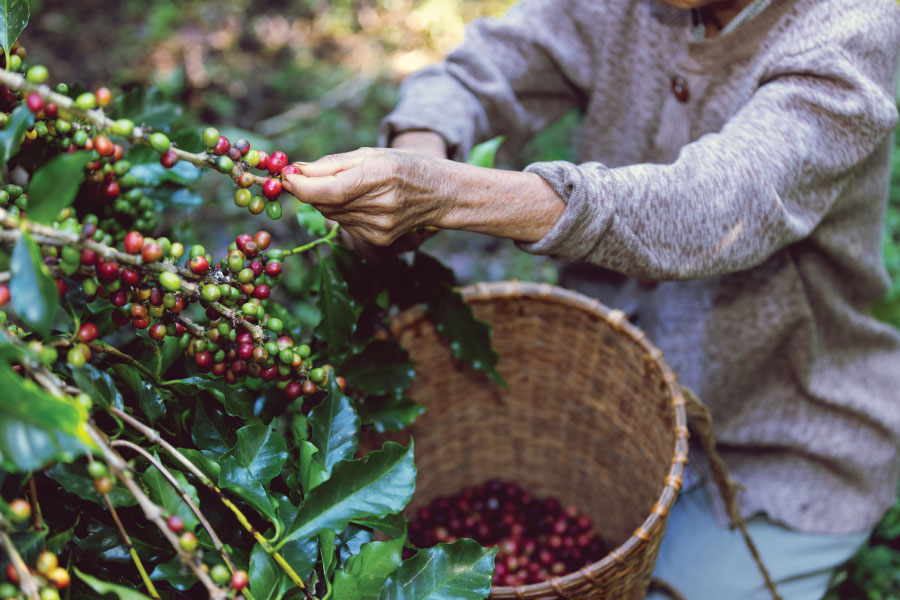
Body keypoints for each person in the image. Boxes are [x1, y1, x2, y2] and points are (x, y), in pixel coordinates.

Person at [282, 0, 900, 597]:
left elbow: (714, 211)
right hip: (605, 394)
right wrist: (422, 150)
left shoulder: (851, 27)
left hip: (778, 440)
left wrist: (454, 194)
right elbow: (480, 71)